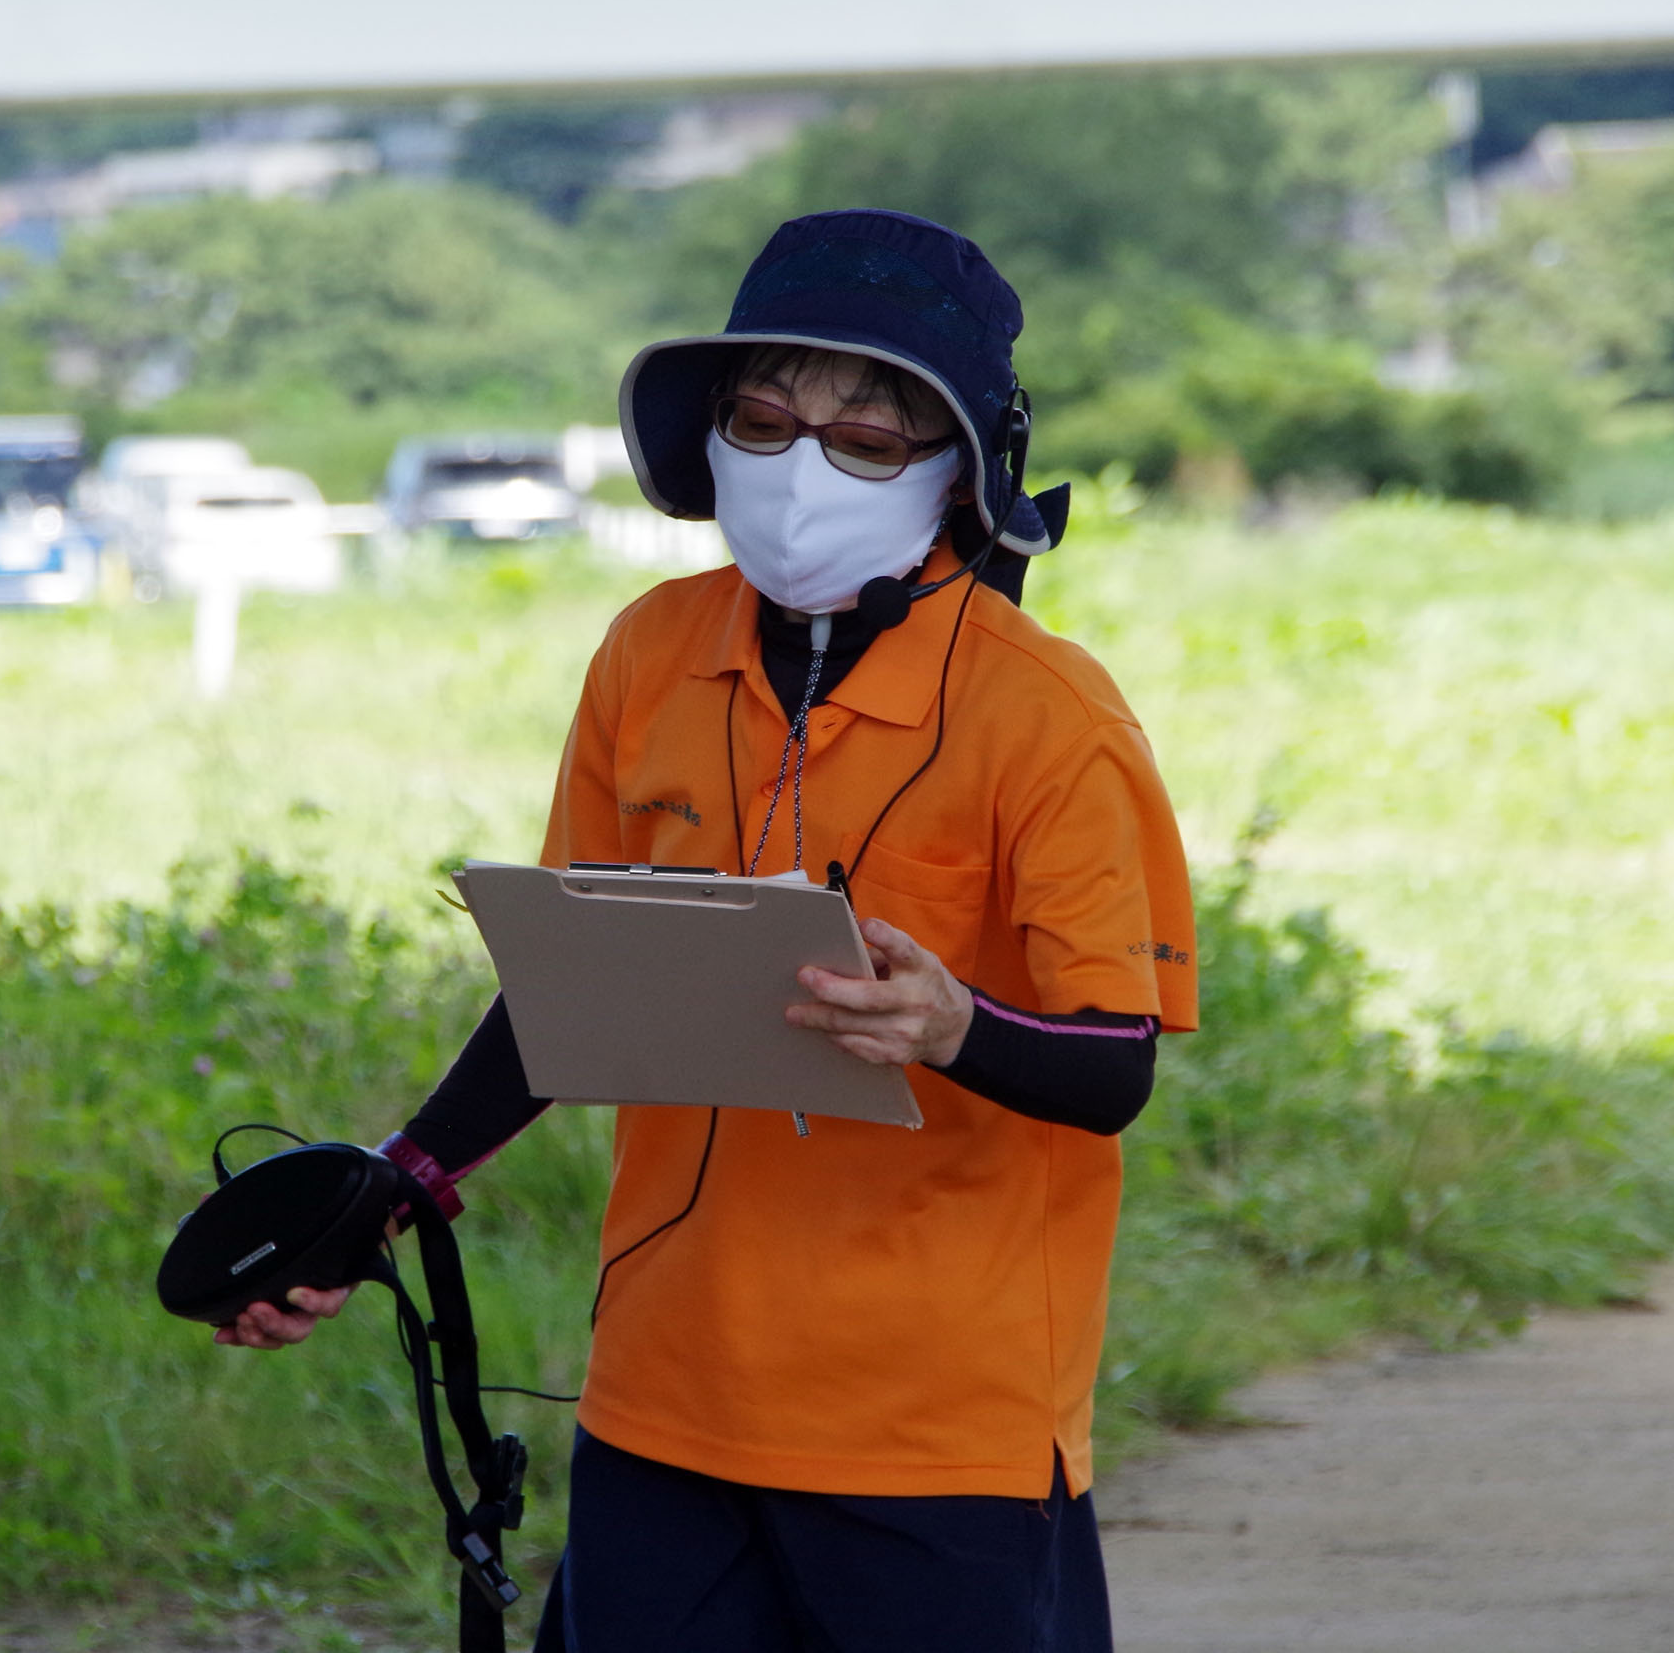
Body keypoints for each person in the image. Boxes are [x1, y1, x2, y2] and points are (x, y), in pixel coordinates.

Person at [216, 208, 1197, 1652]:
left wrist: (956, 1027)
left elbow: (1114, 1066)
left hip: (937, 1435)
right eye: (765, 418)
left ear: (961, 470)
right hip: (667, 1408)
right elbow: (572, 990)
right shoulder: (650, 653)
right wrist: (397, 1182)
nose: (804, 464)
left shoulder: (1049, 713)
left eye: (867, 437)